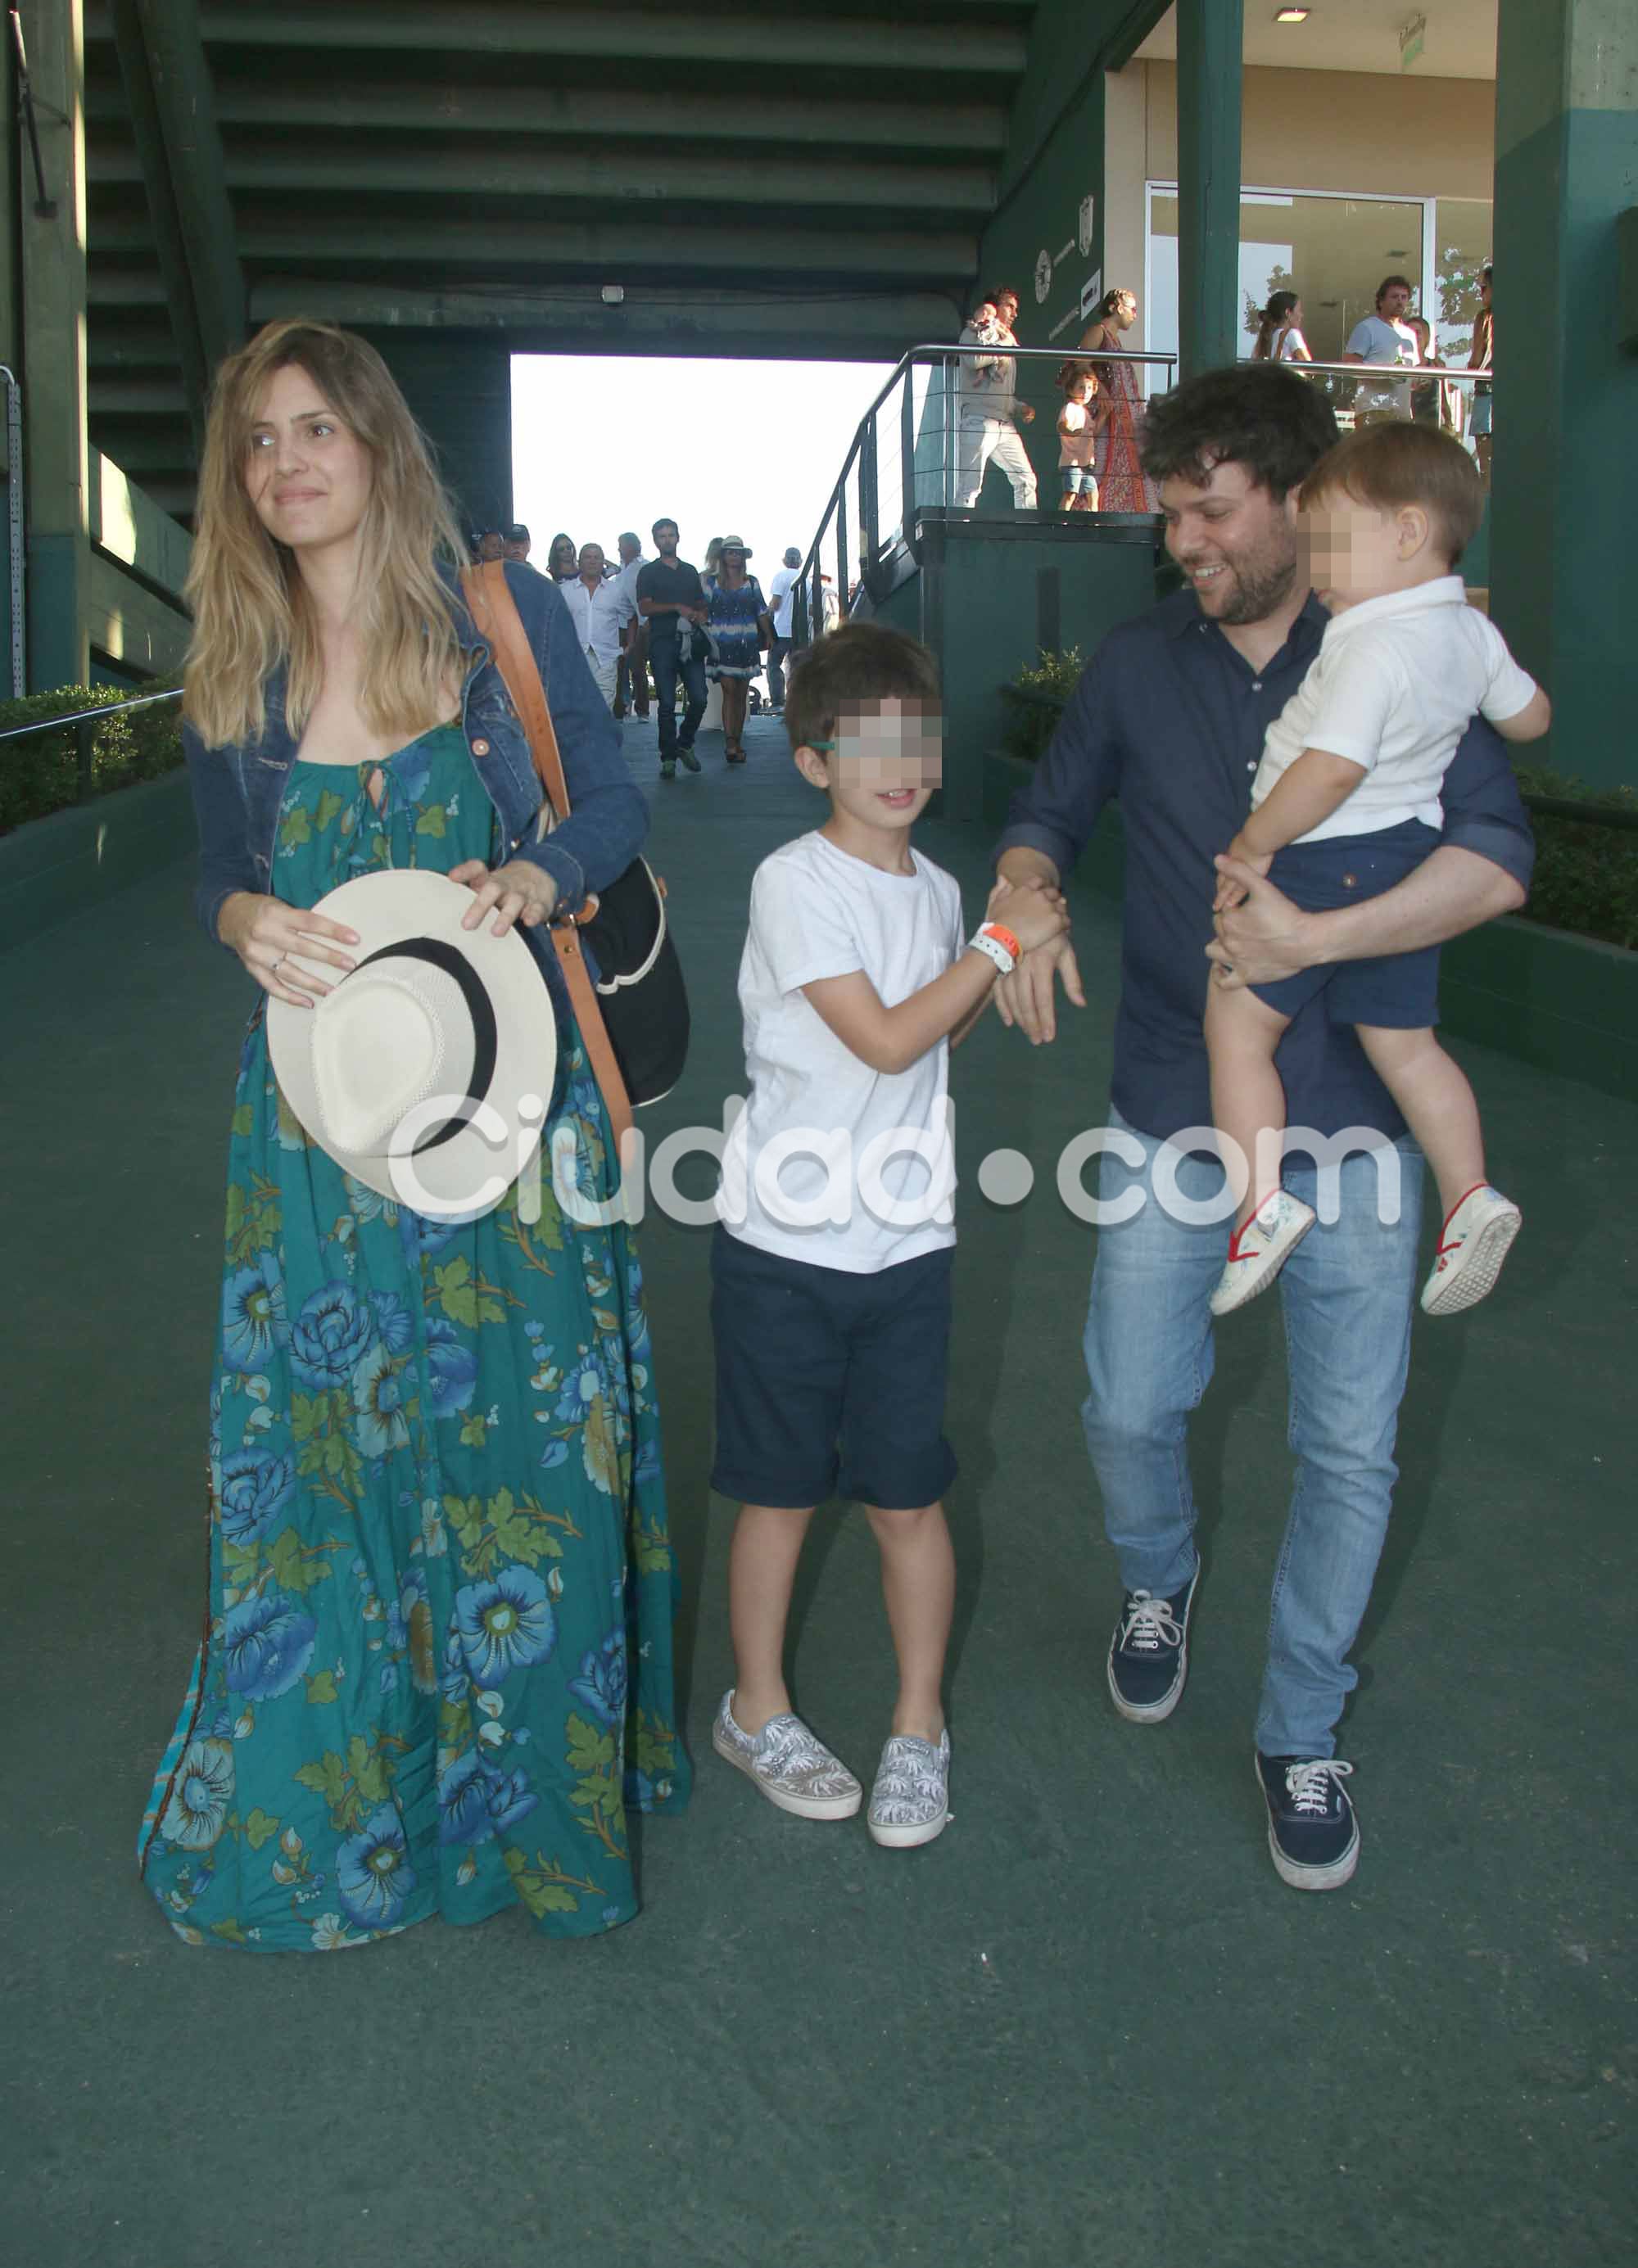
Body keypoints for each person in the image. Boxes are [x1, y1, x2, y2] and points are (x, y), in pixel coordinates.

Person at [140, 317, 688, 1949]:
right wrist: (242, 910)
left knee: (534, 1454)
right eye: (258, 439)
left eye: (317, 427)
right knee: (327, 1467)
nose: (287, 462)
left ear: (376, 446)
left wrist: (547, 873)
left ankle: (541, 1805)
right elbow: (210, 872)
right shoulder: (232, 672)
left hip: (510, 1114)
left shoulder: (493, 622)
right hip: (317, 1136)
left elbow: (611, 800)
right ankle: (361, 1795)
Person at [991, 362, 1534, 1893]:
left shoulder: (1415, 656)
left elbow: (1498, 865)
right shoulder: (1137, 663)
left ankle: (1303, 1724)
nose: (1185, 541)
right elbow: (1048, 811)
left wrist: (1322, 949)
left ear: (1303, 504)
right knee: (1125, 1406)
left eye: (1211, 510)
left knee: (1349, 1451)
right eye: (1170, 513)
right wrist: (1021, 896)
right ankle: (1157, 1582)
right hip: (1176, 1096)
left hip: (1360, 1125)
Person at [709, 622, 1069, 1847]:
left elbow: (939, 1032)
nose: (900, 764)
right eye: (866, 746)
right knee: (780, 1493)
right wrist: (1002, 943)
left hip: (907, 1245)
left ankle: (920, 1725)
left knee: (909, 1496)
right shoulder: (792, 882)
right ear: (813, 761)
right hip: (783, 1245)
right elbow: (884, 1038)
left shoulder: (945, 891)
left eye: (919, 739)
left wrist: (994, 957)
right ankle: (755, 1708)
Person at [1203, 420, 1549, 1320]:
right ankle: (1468, 1195)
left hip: (1321, 856)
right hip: (1404, 856)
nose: (1315, 566)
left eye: (1327, 541)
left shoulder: (1365, 643)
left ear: (1402, 533)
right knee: (1404, 1042)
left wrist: (1252, 843)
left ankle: (1258, 1206)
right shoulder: (1467, 634)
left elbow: (1330, 769)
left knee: (1236, 1030)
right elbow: (1529, 720)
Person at [1071, 287, 1160, 513]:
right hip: (1107, 413)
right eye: (1132, 309)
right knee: (1100, 461)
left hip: (1122, 417)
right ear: (1117, 307)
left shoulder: (1116, 341)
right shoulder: (1098, 331)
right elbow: (1080, 361)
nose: (1135, 315)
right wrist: (1100, 390)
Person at [636, 516, 708, 779]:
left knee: (699, 698)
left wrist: (701, 615)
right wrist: (676, 607)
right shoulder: (648, 572)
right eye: (662, 536)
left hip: (691, 642)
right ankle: (668, 758)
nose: (667, 540)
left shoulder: (689, 571)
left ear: (678, 537)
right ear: (655, 541)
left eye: (671, 535)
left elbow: (701, 604)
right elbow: (644, 607)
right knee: (666, 703)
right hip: (662, 641)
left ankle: (684, 743)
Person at [956, 285, 1038, 511]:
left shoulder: (1007, 339)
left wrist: (1020, 407)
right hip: (978, 420)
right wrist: (1004, 345)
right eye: (1009, 306)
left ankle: (1027, 533)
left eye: (1016, 308)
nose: (1014, 313)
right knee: (969, 488)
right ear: (993, 308)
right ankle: (960, 535)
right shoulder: (974, 332)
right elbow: (975, 361)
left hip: (1004, 422)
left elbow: (1000, 392)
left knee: (1026, 480)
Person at [704, 536, 771, 764]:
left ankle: (737, 742)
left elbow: (761, 611)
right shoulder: (711, 583)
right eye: (730, 552)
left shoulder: (751, 582)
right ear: (723, 556)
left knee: (741, 694)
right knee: (729, 690)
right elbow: (702, 611)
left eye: (738, 552)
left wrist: (769, 635)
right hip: (720, 643)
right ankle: (730, 742)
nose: (734, 556)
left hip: (746, 643)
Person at [560, 539, 635, 707]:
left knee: (603, 711)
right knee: (576, 709)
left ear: (603, 562)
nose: (592, 561)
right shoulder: (565, 590)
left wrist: (630, 645)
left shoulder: (616, 591)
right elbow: (557, 622)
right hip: (574, 658)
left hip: (606, 659)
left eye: (597, 557)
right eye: (587, 557)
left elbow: (631, 616)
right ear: (579, 562)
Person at [1342, 275, 1419, 421]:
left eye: (1404, 297)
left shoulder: (1410, 334)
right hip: (1373, 408)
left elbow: (1411, 378)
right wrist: (1387, 373)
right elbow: (1349, 366)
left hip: (1402, 412)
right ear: (1381, 301)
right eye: (1394, 297)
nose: (1400, 301)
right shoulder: (1367, 327)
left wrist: (1419, 382)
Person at [612, 531, 650, 721]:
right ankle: (619, 708)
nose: (619, 548)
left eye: (622, 545)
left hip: (640, 623)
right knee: (618, 668)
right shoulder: (619, 571)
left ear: (633, 546)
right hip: (617, 624)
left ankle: (642, 710)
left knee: (637, 667)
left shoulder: (644, 567)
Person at [1056, 367, 1106, 511]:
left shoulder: (1085, 413)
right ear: (1071, 390)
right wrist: (1070, 432)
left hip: (1085, 463)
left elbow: (1094, 431)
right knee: (1070, 493)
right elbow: (1061, 426)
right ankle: (1061, 521)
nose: (1086, 392)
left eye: (1089, 388)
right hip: (1072, 462)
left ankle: (1093, 522)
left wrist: (1103, 415)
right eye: (1081, 387)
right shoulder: (1070, 408)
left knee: (1092, 493)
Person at [765, 545, 803, 712]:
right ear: (800, 562)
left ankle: (778, 702)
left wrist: (765, 611)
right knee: (797, 667)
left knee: (773, 665)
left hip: (781, 630)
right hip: (800, 632)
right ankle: (797, 702)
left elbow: (776, 603)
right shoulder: (807, 580)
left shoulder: (781, 576)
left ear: (784, 561)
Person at [1468, 264, 1494, 484]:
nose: (1480, 293)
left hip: (1487, 392)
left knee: (1487, 467)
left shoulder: (1485, 318)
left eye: (1483, 287)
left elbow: (1476, 360)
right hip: (1489, 391)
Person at [1252, 291, 1312, 364]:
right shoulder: (1292, 334)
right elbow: (1309, 365)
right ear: (1288, 313)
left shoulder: (1267, 337)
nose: (1301, 315)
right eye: (1299, 310)